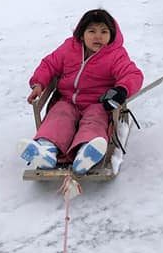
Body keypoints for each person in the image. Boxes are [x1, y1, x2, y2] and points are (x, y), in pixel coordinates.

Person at [18, 9, 143, 175]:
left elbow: (132, 74)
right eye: (92, 31)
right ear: (82, 34)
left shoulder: (115, 55)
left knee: (95, 120)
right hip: (67, 100)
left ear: (111, 35)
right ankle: (46, 150)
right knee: (59, 117)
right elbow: (49, 64)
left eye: (104, 32)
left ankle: (87, 152)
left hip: (97, 102)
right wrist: (38, 83)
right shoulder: (69, 48)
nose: (98, 36)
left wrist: (121, 89)